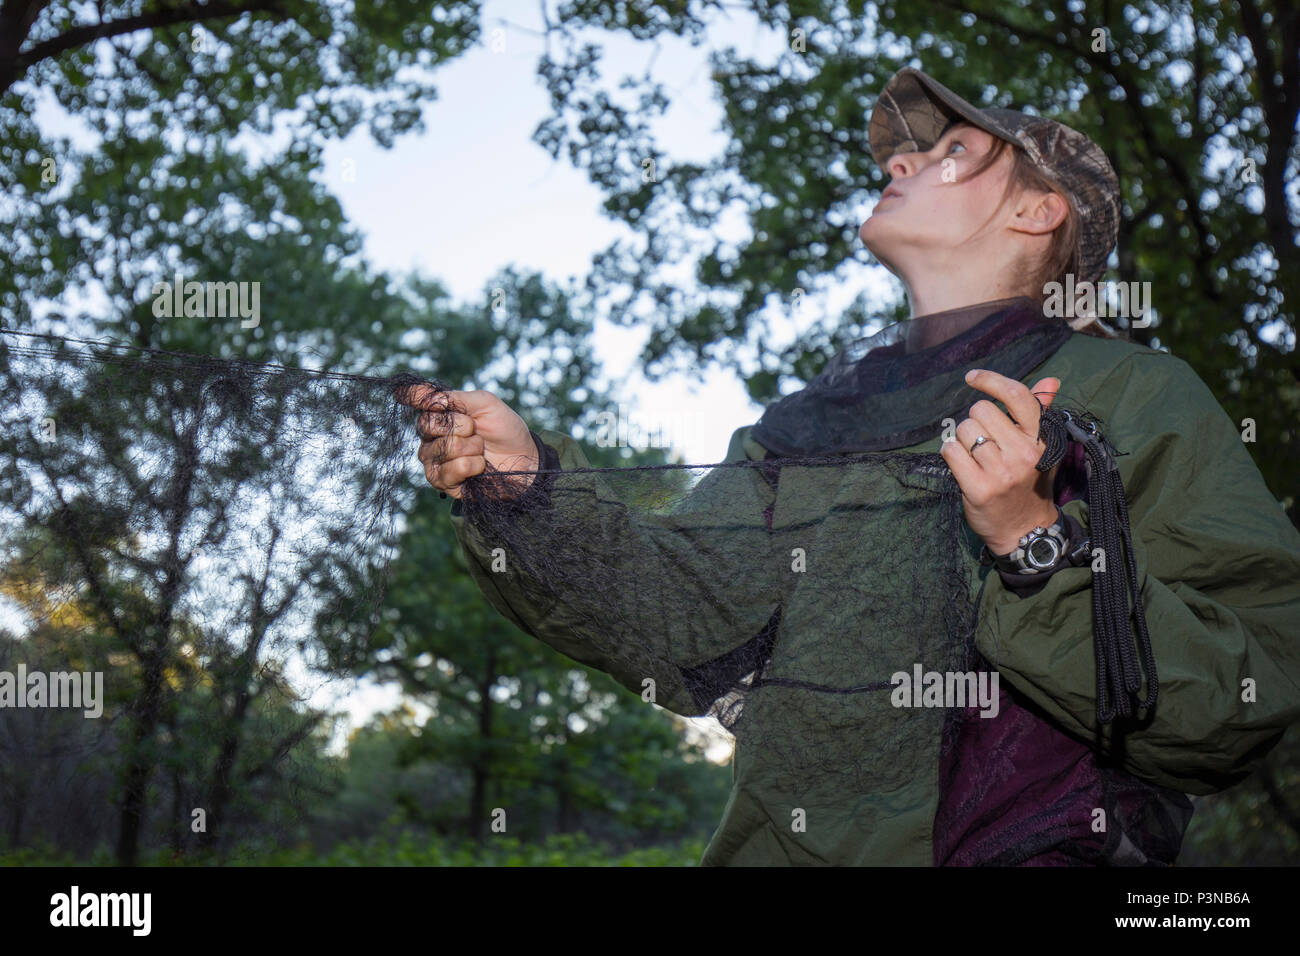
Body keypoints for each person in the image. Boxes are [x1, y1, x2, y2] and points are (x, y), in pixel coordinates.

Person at [399, 67, 1300, 865]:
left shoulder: (1139, 396)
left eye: (951, 149)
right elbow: (675, 618)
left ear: (1037, 210)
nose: (897, 165)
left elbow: (1241, 702)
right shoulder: (802, 425)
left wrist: (1033, 547)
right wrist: (522, 487)